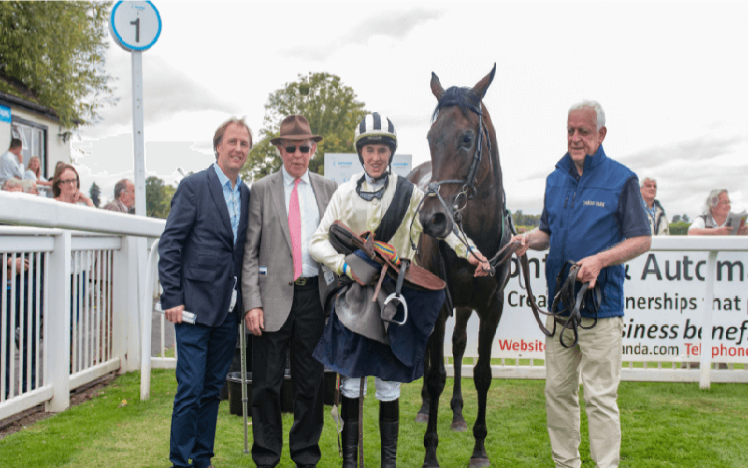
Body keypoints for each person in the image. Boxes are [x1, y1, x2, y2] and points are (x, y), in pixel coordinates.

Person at [308, 112, 490, 468]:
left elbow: (445, 228)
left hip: (393, 301)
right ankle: (350, 464)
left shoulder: (411, 194)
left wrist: (471, 254)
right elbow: (317, 242)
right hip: (354, 301)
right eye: (370, 150)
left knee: (388, 386)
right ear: (361, 153)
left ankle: (388, 465)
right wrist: (345, 266)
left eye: (382, 150)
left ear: (391, 152)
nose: (376, 157)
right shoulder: (344, 194)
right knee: (350, 386)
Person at [512, 101, 651, 468]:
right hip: (560, 307)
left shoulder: (622, 179)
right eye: (571, 130)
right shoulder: (555, 179)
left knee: (600, 398)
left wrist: (601, 259)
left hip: (600, 310)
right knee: (557, 392)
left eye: (584, 131)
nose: (575, 138)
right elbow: (548, 232)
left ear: (601, 135)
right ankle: (565, 464)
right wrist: (529, 239)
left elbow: (642, 239)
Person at [241, 114, 337, 468]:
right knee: (265, 384)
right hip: (270, 302)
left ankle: (306, 455)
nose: (297, 154)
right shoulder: (262, 189)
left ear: (312, 149)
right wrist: (251, 303)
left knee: (310, 384)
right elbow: (249, 252)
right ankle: (266, 457)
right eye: (290, 147)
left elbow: (339, 245)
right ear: (281, 150)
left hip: (314, 298)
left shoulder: (328, 189)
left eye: (304, 147)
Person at [158, 117, 252, 468]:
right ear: (218, 146)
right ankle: (179, 461)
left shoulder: (246, 193)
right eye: (232, 142)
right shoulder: (194, 186)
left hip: (228, 310)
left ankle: (202, 459)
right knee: (190, 389)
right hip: (193, 307)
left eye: (244, 143)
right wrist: (171, 297)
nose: (238, 148)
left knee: (213, 390)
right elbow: (171, 245)